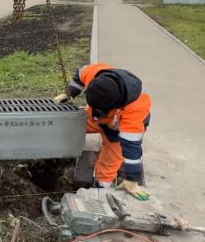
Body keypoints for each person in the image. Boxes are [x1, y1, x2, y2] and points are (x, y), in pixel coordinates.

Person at [54, 63, 151, 201]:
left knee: (109, 164)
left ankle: (100, 191)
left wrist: (132, 177)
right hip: (98, 120)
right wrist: (70, 92)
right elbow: (80, 74)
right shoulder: (96, 74)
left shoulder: (135, 108)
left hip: (117, 130)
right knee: (71, 124)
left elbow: (131, 144)